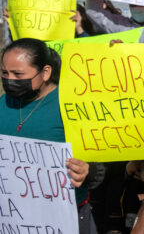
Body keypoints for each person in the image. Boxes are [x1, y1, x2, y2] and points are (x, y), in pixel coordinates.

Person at [0, 38, 95, 232]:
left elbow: (103, 159)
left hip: (64, 218)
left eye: (18, 74)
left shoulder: (71, 106)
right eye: (4, 73)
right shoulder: (3, 103)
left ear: (45, 72)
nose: (10, 80)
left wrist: (88, 170)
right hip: (11, 218)